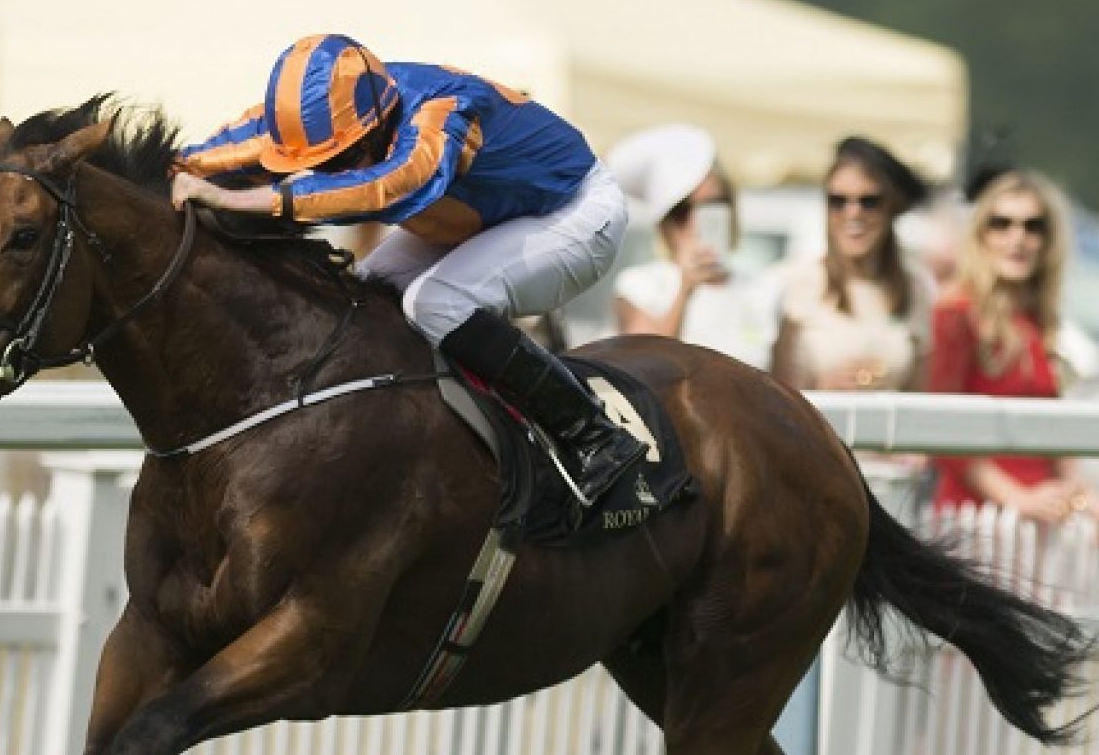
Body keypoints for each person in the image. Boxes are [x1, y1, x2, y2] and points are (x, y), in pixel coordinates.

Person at [169, 33, 643, 502]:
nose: (329, 173)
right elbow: (213, 155)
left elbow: (386, 187)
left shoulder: (443, 112)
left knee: (434, 303)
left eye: (338, 160)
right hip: (481, 215)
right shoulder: (333, 114)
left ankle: (592, 434)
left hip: (572, 211)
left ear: (377, 125)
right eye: (317, 164)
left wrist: (233, 198)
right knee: (364, 296)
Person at [929, 169, 1099, 544]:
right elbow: (943, 432)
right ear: (981, 234)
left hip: (1042, 523)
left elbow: (1055, 432)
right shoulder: (956, 312)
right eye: (1002, 224)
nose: (1017, 239)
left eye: (1033, 227)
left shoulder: (1039, 320)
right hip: (977, 522)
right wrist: (1017, 497)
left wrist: (1085, 498)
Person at [771, 136, 936, 395]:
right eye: (838, 201)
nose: (853, 213)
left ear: (891, 207)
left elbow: (918, 393)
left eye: (869, 201)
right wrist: (823, 390)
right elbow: (769, 395)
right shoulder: (789, 282)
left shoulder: (915, 288)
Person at [606, 124, 776, 369]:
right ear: (663, 223)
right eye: (682, 211)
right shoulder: (639, 286)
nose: (697, 222)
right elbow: (646, 366)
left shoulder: (766, 289)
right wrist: (685, 290)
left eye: (713, 205)